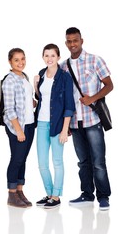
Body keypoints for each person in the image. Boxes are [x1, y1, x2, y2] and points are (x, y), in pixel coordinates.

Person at [60, 27, 113, 211]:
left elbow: (109, 85)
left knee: (98, 161)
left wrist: (92, 98)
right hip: (74, 123)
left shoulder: (94, 60)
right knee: (83, 161)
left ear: (81, 40)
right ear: (66, 43)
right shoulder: (63, 66)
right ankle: (87, 195)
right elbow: (62, 96)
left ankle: (103, 197)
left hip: (93, 120)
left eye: (76, 40)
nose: (73, 44)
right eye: (69, 41)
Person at [34, 43, 75, 209]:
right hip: (41, 124)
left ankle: (56, 196)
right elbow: (40, 98)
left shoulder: (65, 77)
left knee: (57, 161)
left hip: (58, 125)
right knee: (42, 163)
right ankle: (49, 193)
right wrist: (36, 85)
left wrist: (65, 129)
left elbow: (69, 105)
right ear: (43, 57)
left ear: (58, 57)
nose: (49, 58)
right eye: (46, 55)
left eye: (52, 55)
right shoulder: (42, 74)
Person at [2, 48, 35, 208]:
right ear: (10, 62)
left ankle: (20, 191)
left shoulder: (24, 77)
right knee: (16, 159)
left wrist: (33, 102)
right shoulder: (10, 80)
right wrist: (18, 130)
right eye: (16, 60)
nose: (20, 62)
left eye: (23, 58)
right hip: (18, 127)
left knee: (23, 159)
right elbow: (9, 109)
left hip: (29, 124)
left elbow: (26, 100)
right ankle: (11, 194)